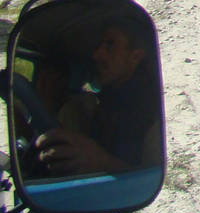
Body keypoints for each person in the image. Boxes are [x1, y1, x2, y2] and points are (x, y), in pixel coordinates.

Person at [34, 19, 162, 175]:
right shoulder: (100, 104)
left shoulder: (152, 115)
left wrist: (100, 162)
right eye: (99, 46)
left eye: (110, 45)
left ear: (135, 56)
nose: (96, 55)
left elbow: (151, 178)